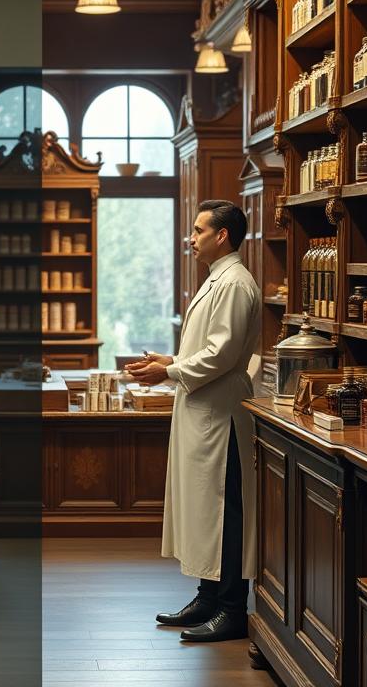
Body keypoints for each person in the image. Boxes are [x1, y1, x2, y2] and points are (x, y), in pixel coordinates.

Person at [125, 199, 260, 643]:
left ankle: (232, 609)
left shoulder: (234, 283)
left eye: (199, 231)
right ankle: (207, 596)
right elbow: (210, 349)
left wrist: (169, 372)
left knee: (225, 511)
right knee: (205, 510)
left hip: (221, 417)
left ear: (222, 235)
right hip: (204, 410)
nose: (191, 238)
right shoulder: (217, 278)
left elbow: (221, 354)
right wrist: (172, 361)